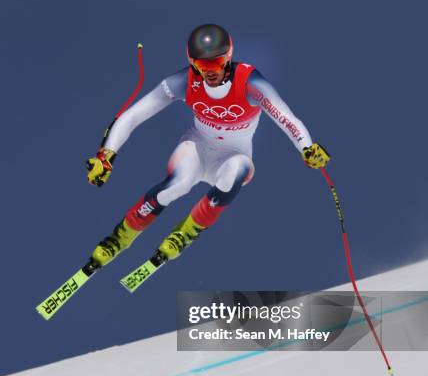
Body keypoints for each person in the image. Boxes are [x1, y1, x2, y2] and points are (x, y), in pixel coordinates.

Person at [85, 24, 330, 273]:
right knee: (177, 186)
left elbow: (286, 118)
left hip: (233, 155)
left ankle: (186, 232)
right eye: (202, 66)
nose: (210, 73)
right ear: (192, 63)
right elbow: (134, 115)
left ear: (229, 56)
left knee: (238, 170)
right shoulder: (185, 82)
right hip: (197, 147)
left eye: (216, 63)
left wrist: (306, 147)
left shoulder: (249, 82)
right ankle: (119, 239)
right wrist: (106, 156)